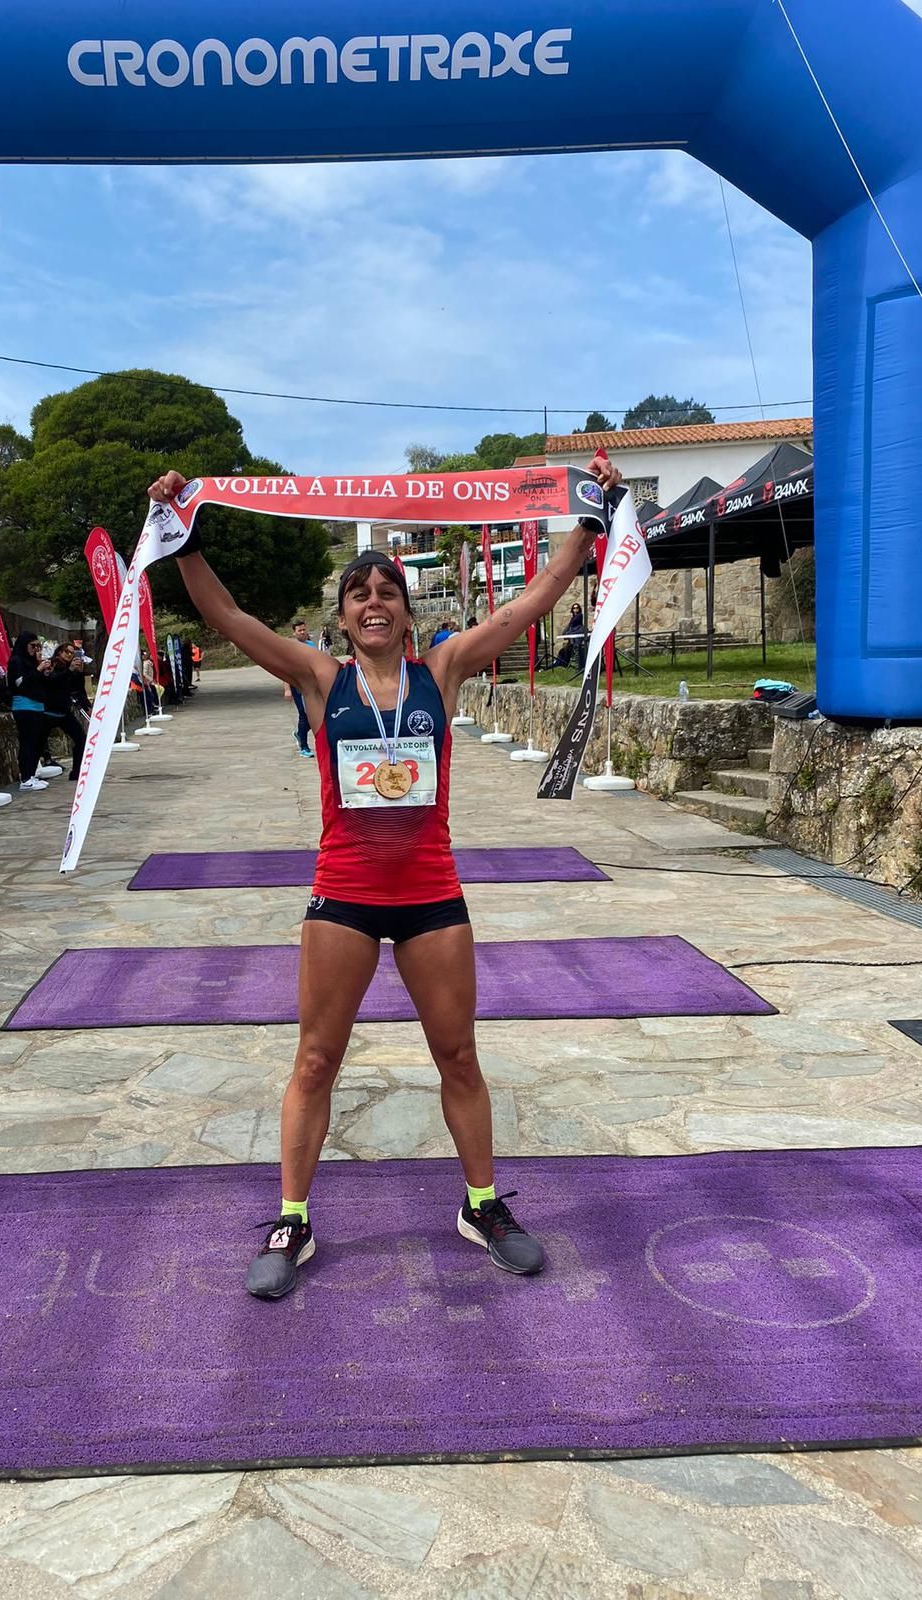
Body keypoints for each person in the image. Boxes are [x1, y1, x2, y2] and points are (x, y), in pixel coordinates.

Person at [148, 452, 622, 1300]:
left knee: (459, 1057)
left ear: (406, 613)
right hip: (344, 899)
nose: (374, 601)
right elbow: (223, 613)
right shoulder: (316, 679)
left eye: (388, 592)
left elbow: (532, 601)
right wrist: (186, 534)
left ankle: (482, 1206)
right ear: (341, 617)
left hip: (433, 897)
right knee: (317, 1058)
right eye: (358, 593)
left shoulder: (440, 671)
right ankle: (292, 1218)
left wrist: (586, 522)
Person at [6, 631, 53, 791]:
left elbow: (40, 683)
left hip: (38, 705)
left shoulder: (32, 662)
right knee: (27, 742)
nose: (35, 649)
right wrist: (38, 669)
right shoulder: (16, 661)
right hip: (24, 706)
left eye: (37, 646)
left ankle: (31, 774)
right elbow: (21, 684)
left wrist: (44, 671)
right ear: (24, 645)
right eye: (32, 646)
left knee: (37, 743)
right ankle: (25, 777)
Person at [39, 640, 87, 780]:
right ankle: (30, 773)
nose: (69, 655)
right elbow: (53, 681)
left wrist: (78, 672)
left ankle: (77, 772)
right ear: (59, 651)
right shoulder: (52, 664)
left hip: (64, 711)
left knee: (81, 739)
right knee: (37, 742)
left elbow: (76, 689)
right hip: (49, 710)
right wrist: (69, 670)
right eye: (67, 652)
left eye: (72, 653)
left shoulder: (69, 667)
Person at [289, 620, 318, 757]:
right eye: (300, 630)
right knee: (304, 715)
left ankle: (299, 734)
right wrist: (287, 688)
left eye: (304, 630)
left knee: (315, 715)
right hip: (297, 686)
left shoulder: (311, 645)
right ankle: (304, 747)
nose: (303, 632)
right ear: (294, 632)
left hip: (312, 685)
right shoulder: (290, 648)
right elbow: (285, 669)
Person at [551, 602, 587, 669]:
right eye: (574, 608)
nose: (575, 609)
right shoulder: (572, 622)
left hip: (575, 645)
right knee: (562, 651)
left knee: (566, 651)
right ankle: (558, 662)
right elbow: (566, 630)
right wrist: (565, 633)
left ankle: (560, 663)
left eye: (577, 608)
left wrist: (568, 633)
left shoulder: (580, 626)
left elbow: (576, 632)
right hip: (571, 644)